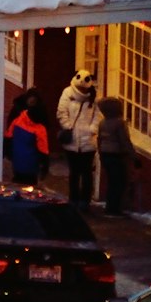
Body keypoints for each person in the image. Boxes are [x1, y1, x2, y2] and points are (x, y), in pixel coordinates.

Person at [56, 69, 101, 209]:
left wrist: (92, 129)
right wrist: (68, 126)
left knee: (86, 173)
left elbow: (98, 116)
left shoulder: (94, 97)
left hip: (88, 142)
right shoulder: (68, 93)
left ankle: (85, 201)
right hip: (72, 140)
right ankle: (73, 198)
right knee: (74, 172)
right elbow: (61, 111)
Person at [96, 96, 133, 216]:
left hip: (105, 154)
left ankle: (109, 207)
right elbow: (124, 140)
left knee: (112, 181)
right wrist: (134, 156)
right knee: (119, 182)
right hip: (116, 155)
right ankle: (115, 209)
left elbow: (99, 139)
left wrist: (101, 154)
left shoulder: (102, 123)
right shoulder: (119, 123)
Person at [5, 91, 51, 185]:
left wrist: (7, 152)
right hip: (31, 166)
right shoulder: (40, 129)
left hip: (17, 161)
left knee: (17, 182)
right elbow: (43, 150)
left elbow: (8, 136)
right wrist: (45, 167)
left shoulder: (18, 119)